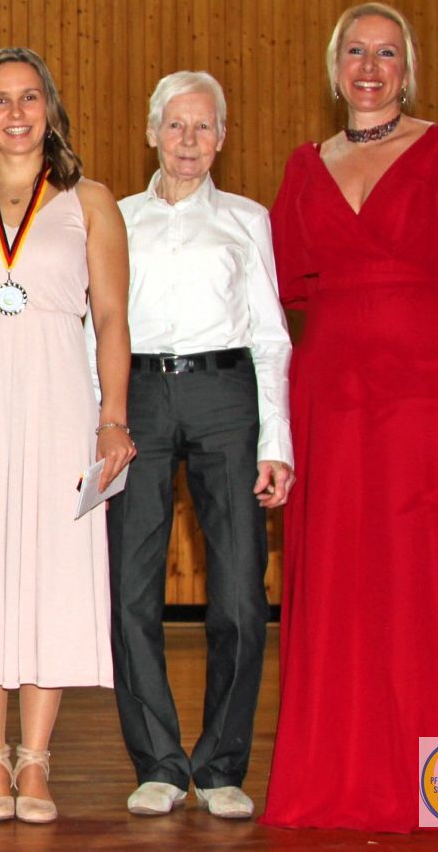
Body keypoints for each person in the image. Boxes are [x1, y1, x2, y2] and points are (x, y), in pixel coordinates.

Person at [263, 2, 438, 834]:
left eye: (387, 53)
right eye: (356, 51)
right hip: (336, 400)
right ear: (334, 68)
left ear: (408, 70)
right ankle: (349, 781)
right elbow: (273, 290)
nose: (370, 67)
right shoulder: (305, 166)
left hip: (431, 390)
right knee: (349, 587)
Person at [0, 47, 134, 825]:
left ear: (51, 108)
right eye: (1, 99)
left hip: (58, 396)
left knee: (53, 567)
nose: (16, 113)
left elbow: (112, 316)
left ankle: (36, 758)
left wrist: (113, 416)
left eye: (29, 97)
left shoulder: (91, 201)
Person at [105, 71, 290, 821]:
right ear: (151, 132)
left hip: (226, 397)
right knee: (131, 589)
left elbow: (271, 335)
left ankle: (220, 765)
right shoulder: (116, 219)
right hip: (139, 398)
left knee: (242, 592)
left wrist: (277, 441)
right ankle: (157, 761)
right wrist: (100, 421)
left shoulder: (249, 219)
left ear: (222, 137)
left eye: (203, 126)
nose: (188, 140)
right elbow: (96, 326)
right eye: (175, 125)